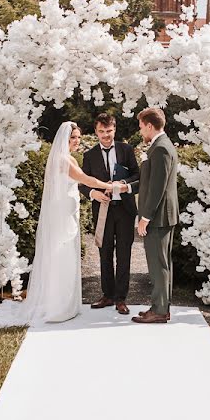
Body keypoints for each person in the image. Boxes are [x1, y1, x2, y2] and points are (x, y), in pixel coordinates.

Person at [0, 122, 112, 327]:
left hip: (68, 212)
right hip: (61, 214)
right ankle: (57, 305)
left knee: (66, 254)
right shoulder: (62, 160)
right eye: (73, 138)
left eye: (79, 137)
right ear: (64, 139)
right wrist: (109, 185)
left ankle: (66, 303)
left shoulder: (68, 158)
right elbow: (84, 178)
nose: (77, 141)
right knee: (60, 254)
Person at [122, 107, 179, 324]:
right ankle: (161, 307)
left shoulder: (161, 149)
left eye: (140, 126)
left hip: (158, 217)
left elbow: (158, 188)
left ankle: (160, 310)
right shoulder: (159, 146)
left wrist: (145, 217)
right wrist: (126, 188)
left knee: (158, 264)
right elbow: (149, 182)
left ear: (149, 125)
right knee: (161, 264)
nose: (140, 131)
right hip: (162, 215)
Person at [79, 113, 140, 315]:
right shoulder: (89, 155)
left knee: (124, 255)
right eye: (102, 131)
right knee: (104, 253)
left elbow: (137, 176)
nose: (106, 135)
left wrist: (122, 184)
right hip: (102, 211)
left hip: (125, 210)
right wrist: (92, 193)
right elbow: (82, 183)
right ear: (96, 132)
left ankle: (121, 299)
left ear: (115, 129)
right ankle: (107, 295)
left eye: (109, 131)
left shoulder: (126, 149)